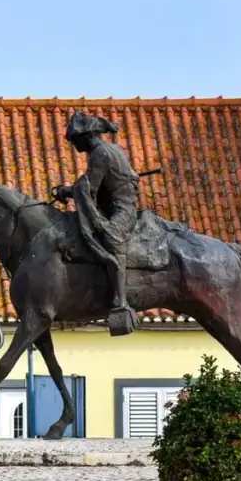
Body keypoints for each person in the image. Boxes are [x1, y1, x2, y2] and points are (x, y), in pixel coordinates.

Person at [52, 111, 140, 326]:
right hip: (112, 205)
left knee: (112, 240)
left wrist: (67, 191)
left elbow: (89, 186)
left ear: (85, 136)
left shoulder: (101, 153)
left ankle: (121, 301)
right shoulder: (110, 150)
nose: (74, 145)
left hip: (121, 209)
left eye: (74, 140)